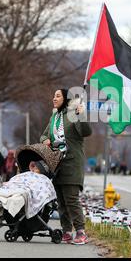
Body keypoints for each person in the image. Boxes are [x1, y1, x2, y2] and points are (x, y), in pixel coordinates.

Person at [40, 88, 92, 245]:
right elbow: (44, 135)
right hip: (57, 164)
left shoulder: (73, 114)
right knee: (61, 201)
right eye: (53, 95)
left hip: (72, 163)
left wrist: (81, 115)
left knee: (71, 199)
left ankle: (81, 232)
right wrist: (45, 141)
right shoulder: (55, 117)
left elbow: (86, 132)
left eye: (57, 96)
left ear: (66, 99)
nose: (54, 98)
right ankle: (66, 231)